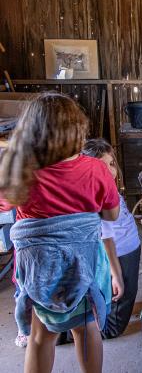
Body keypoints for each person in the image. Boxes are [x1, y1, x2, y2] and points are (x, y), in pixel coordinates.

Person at [0, 92, 119, 373]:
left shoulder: (21, 170)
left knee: (41, 337)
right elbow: (111, 215)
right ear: (76, 130)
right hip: (84, 269)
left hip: (39, 271)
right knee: (87, 329)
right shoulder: (94, 169)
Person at [82, 138, 141, 339]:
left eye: (112, 164)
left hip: (128, 249)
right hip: (120, 254)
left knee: (127, 295)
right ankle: (79, 332)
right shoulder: (97, 194)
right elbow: (106, 240)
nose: (111, 171)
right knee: (115, 320)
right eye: (102, 166)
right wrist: (116, 276)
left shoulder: (108, 187)